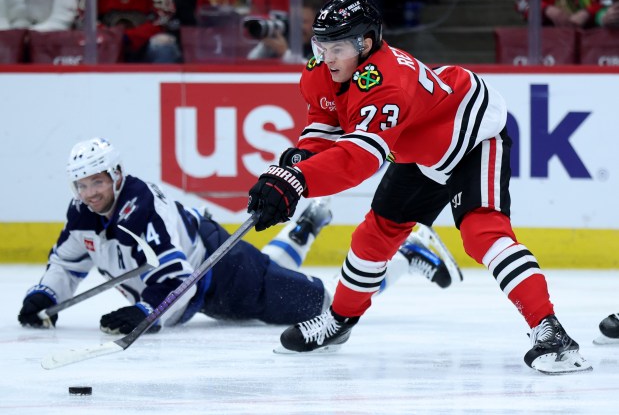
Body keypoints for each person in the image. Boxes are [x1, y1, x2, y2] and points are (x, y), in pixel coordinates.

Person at [246, 0, 591, 374]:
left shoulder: (387, 83)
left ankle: (551, 331)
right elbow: (324, 125)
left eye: (338, 47)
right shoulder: (321, 70)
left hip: (471, 137)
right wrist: (300, 161)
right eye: (321, 45)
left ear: (366, 43)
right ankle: (339, 322)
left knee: (482, 234)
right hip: (420, 149)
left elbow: (361, 158)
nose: (327, 57)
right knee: (373, 236)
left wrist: (298, 180)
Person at [17, 138, 458, 334]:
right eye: (82, 185)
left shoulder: (141, 209)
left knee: (321, 303)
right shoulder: (82, 214)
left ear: (116, 174)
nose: (90, 193)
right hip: (211, 268)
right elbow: (66, 262)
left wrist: (146, 312)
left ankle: (407, 255)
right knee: (272, 274)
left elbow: (178, 278)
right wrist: (45, 297)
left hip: (219, 272)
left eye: (97, 182)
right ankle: (303, 230)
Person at [93, 0, 181, 63]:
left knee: (163, 46)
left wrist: (129, 37)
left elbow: (163, 20)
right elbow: (85, 20)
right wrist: (110, 36)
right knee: (88, 43)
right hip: (105, 44)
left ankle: (160, 76)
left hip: (144, 43)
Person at [246, 0, 324, 62]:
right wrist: (265, 45)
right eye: (294, 21)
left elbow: (315, 72)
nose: (297, 27)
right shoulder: (285, 38)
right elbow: (250, 62)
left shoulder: (325, 46)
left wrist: (284, 53)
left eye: (304, 21)